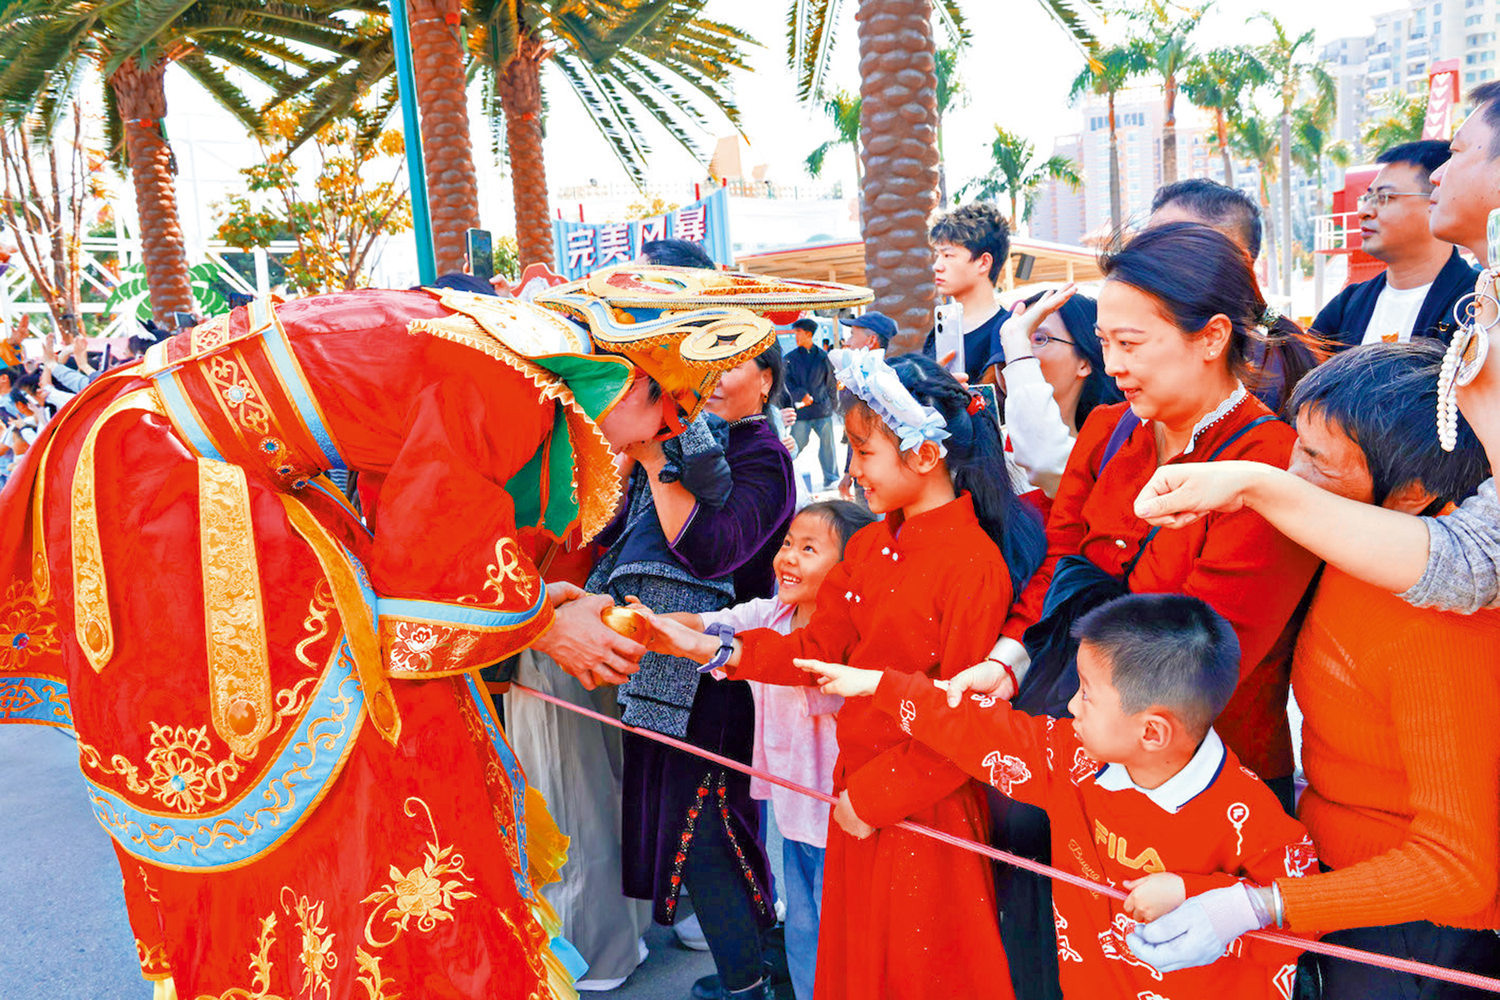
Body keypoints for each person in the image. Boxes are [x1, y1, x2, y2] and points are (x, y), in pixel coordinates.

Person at [0, 266, 864, 998]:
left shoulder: (510, 352)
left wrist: (541, 600)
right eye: (671, 414)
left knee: (397, 734)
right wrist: (543, 620)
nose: (673, 434)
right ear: (631, 381)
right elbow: (423, 591)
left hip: (191, 460)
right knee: (369, 734)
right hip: (167, 474)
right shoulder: (510, 381)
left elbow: (426, 518)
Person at [964, 223, 1322, 1000]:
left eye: (1132, 343)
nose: (1114, 365)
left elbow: (1205, 652)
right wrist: (1007, 658)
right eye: (1106, 343)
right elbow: (1061, 559)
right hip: (1085, 740)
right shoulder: (1110, 429)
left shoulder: (1264, 465)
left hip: (1196, 782)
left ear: (1211, 337)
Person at [639, 350, 1047, 1000]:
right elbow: (817, 649)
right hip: (856, 794)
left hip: (925, 812)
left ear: (923, 455)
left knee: (919, 975)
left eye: (864, 451)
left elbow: (964, 723)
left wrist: (873, 800)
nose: (852, 470)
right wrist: (709, 648)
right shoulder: (869, 547)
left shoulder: (973, 564)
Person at [1128, 344, 1500, 998]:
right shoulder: (1351, 550)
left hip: (1417, 935)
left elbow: (1461, 871)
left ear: (1413, 496)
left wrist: (1263, 906)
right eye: (1294, 446)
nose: (1290, 472)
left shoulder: (1438, 630)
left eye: (1318, 462)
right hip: (1346, 892)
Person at [799, 592, 1316, 999]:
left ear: (1153, 732)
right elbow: (985, 731)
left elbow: (1303, 907)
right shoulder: (1076, 760)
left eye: (1087, 694)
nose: (1070, 704)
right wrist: (882, 687)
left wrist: (1194, 892)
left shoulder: (1244, 814)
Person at [1133, 82, 1500, 615]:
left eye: (1459, 153)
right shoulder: (1360, 301)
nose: (1442, 173)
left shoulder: (1468, 300)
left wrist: (1260, 485)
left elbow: (1478, 558)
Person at [589, 339, 796, 1000]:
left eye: (730, 365)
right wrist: (635, 459)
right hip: (668, 659)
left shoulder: (765, 457)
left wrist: (654, 459)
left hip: (721, 668)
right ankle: (757, 968)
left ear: (765, 381)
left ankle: (747, 980)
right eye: (703, 366)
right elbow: (609, 531)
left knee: (709, 827)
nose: (710, 379)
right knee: (699, 825)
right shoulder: (691, 441)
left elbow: (707, 552)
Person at [643, 500, 877, 1000]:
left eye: (809, 549)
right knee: (805, 923)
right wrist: (652, 623)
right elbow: (709, 622)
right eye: (788, 543)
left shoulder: (852, 636)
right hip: (795, 812)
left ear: (849, 569)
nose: (788, 556)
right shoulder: (772, 612)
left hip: (844, 815)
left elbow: (800, 673)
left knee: (842, 929)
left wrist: (694, 643)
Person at [1310, 140, 1477, 349]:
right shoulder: (1347, 305)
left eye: (1384, 197)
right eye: (1368, 197)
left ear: (1436, 199)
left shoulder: (1476, 304)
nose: (1364, 211)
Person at [989, 283, 1124, 501]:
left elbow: (1046, 461)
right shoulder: (990, 447)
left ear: (1084, 362)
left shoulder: (1112, 448)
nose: (1014, 354)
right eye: (1011, 343)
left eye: (1039, 338)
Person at [923, 202, 1013, 384]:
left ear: (983, 262)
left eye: (948, 255)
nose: (937, 266)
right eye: (937, 255)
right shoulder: (938, 333)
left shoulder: (1008, 332)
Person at [784, 317, 840, 489]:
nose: (796, 337)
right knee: (794, 447)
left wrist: (834, 406)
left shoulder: (824, 358)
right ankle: (783, 477)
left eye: (799, 333)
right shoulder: (789, 359)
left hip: (822, 410)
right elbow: (785, 383)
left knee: (828, 447)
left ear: (809, 334)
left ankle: (831, 479)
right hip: (801, 412)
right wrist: (800, 396)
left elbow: (830, 383)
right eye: (795, 333)